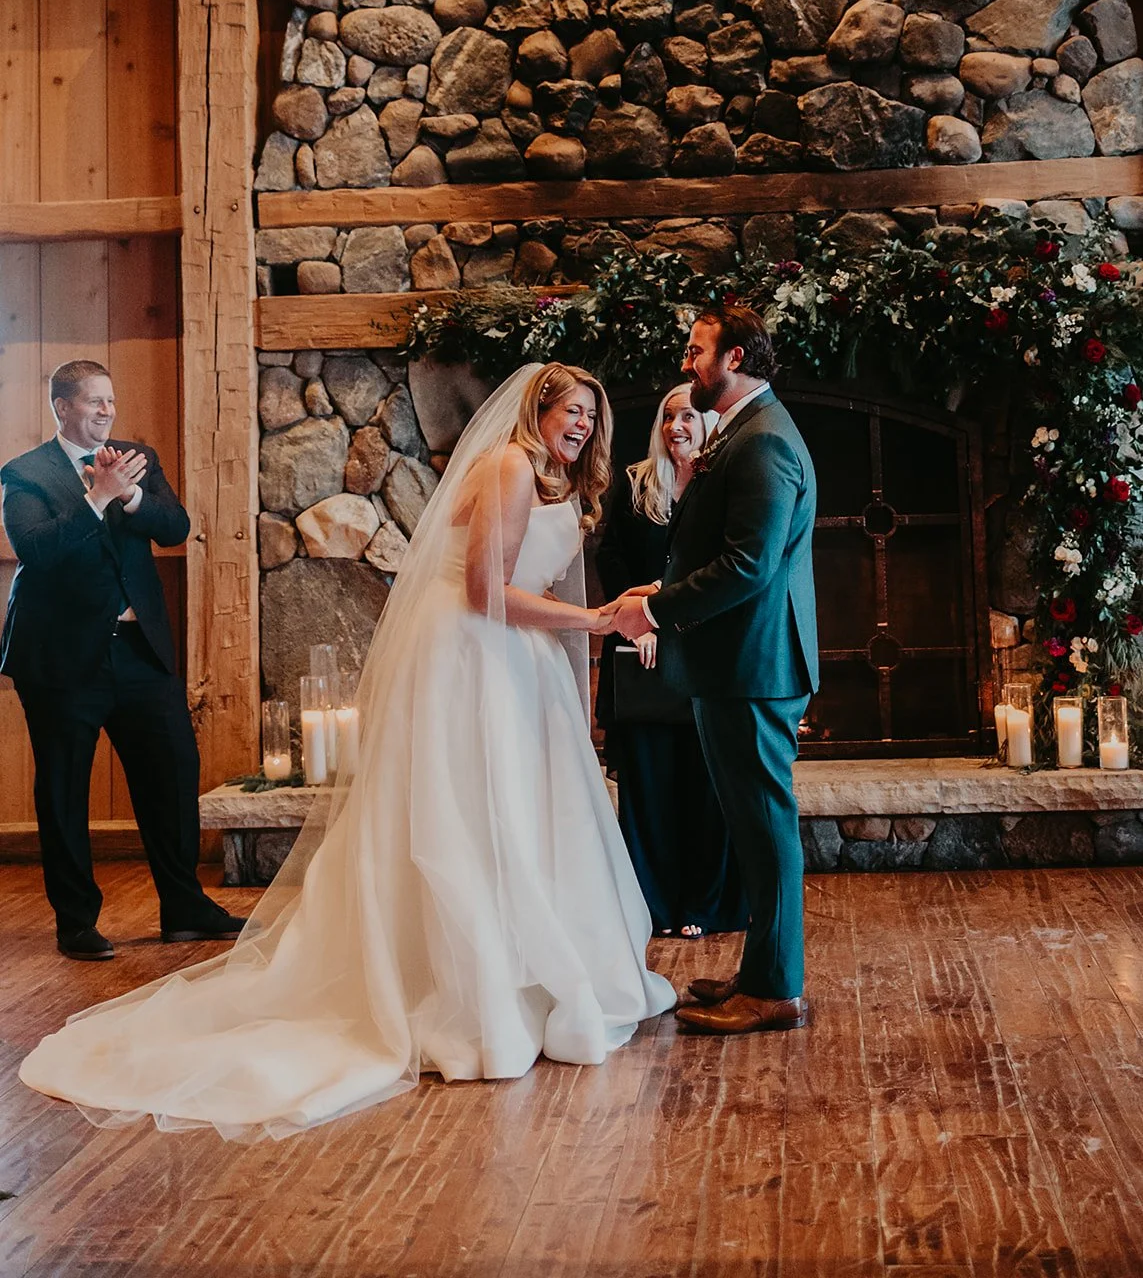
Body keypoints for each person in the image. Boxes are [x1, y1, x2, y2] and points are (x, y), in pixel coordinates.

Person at [20, 363, 675, 1139]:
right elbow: (483, 591)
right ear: (538, 410)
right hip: (478, 656)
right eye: (572, 411)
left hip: (516, 656)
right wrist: (598, 621)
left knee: (519, 817)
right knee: (470, 818)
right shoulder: (506, 466)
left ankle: (524, 969)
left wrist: (585, 653)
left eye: (592, 416)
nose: (583, 426)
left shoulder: (555, 478)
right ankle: (472, 989)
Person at [609, 307, 818, 1036]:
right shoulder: (747, 432)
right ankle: (764, 973)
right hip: (737, 664)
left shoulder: (762, 443)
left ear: (734, 356)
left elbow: (749, 566)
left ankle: (775, 991)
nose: (687, 361)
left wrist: (659, 612)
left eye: (697, 350)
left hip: (752, 668)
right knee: (755, 831)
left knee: (765, 832)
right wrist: (654, 593)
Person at [0, 360, 245, 961]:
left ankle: (184, 907)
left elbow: (175, 527)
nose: (106, 412)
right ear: (62, 407)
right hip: (61, 662)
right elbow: (36, 550)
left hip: (139, 651)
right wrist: (96, 498)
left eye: (110, 401)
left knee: (171, 772)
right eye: (92, 402)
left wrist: (129, 492)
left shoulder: (136, 457)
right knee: (63, 789)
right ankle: (76, 922)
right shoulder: (24, 474)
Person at [596, 385, 747, 940]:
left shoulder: (726, 479)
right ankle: (651, 906)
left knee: (708, 787)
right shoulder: (636, 484)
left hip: (703, 650)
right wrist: (636, 620)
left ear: (710, 423)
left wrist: (662, 612)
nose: (676, 426)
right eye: (668, 417)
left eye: (688, 415)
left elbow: (730, 567)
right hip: (642, 655)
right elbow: (610, 555)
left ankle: (707, 905)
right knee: (650, 786)